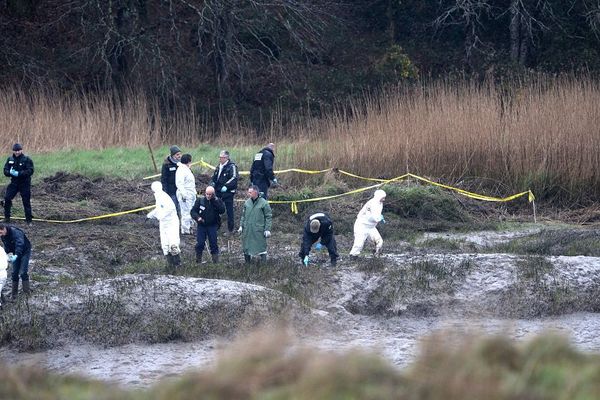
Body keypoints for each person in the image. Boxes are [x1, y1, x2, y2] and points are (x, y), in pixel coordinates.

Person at [147, 181, 181, 271]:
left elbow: (170, 209)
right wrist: (149, 215)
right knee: (165, 245)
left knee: (173, 244)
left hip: (171, 222)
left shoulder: (164, 197)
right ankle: (170, 266)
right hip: (163, 224)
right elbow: (159, 208)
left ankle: (178, 265)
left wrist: (160, 216)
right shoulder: (158, 197)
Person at [190, 186, 225, 263]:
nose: (208, 196)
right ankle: (198, 261)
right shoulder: (200, 200)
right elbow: (193, 211)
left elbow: (222, 210)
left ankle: (215, 262)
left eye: (210, 194)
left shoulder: (217, 201)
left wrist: (215, 202)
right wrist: (197, 217)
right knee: (200, 243)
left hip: (212, 226)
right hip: (202, 225)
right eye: (207, 194)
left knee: (213, 244)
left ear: (213, 194)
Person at [239, 185, 272, 264]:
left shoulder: (264, 203)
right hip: (248, 230)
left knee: (261, 248)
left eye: (250, 192)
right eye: (248, 192)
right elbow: (243, 216)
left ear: (255, 192)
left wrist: (267, 229)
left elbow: (268, 217)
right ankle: (247, 265)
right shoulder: (247, 203)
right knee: (246, 247)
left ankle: (264, 266)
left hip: (259, 230)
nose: (248, 194)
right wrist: (241, 226)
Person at [349, 189, 386, 257]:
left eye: (384, 198)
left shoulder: (380, 203)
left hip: (371, 227)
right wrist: (379, 218)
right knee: (358, 244)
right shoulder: (372, 203)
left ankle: (376, 256)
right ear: (378, 197)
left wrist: (380, 216)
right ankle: (353, 257)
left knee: (379, 241)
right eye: (383, 198)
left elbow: (377, 214)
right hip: (362, 226)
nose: (384, 199)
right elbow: (375, 218)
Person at [3, 143, 34, 224]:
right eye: (15, 151)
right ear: (13, 151)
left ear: (21, 150)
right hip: (14, 183)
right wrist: (9, 172)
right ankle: (7, 218)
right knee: (7, 198)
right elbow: (5, 170)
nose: (17, 152)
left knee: (26, 201)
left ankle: (29, 220)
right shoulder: (10, 159)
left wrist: (19, 173)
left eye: (18, 150)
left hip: (24, 183)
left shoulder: (27, 159)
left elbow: (30, 171)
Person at [0, 222, 32, 301]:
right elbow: (6, 245)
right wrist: (8, 254)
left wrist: (17, 255)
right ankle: (14, 295)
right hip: (15, 253)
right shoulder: (3, 235)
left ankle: (27, 293)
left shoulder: (15, 232)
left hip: (25, 251)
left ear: (4, 229)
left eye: (0, 232)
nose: (0, 235)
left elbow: (20, 244)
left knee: (23, 272)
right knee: (14, 273)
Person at [210, 150, 238, 235]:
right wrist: (212, 183)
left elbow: (234, 177)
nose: (220, 159)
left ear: (227, 158)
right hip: (218, 191)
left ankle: (230, 229)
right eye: (220, 157)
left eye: (222, 157)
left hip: (228, 192)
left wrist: (227, 186)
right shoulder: (219, 166)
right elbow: (215, 177)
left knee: (229, 211)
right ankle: (216, 227)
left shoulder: (232, 166)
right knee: (216, 209)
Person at [176, 153, 197, 235]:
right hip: (185, 194)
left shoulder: (186, 169)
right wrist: (184, 194)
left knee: (191, 211)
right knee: (185, 212)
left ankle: (190, 228)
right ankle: (185, 230)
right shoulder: (181, 170)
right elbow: (179, 183)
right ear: (188, 161)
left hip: (190, 194)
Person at [161, 145, 182, 216]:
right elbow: (164, 179)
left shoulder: (182, 163)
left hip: (181, 189)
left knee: (181, 207)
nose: (179, 156)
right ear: (173, 155)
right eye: (177, 154)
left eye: (180, 154)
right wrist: (165, 191)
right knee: (173, 207)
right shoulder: (166, 165)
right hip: (171, 190)